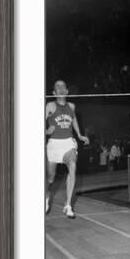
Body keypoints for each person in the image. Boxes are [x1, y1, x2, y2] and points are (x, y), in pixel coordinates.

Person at [45, 80, 90, 218]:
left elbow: (74, 119)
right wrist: (47, 131)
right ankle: (46, 196)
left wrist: (80, 135)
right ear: (54, 92)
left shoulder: (72, 105)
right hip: (54, 144)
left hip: (68, 143)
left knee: (73, 165)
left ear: (66, 91)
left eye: (63, 86)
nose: (60, 88)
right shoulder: (50, 105)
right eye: (57, 86)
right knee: (50, 178)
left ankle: (68, 204)